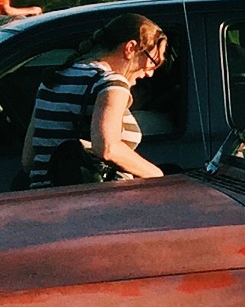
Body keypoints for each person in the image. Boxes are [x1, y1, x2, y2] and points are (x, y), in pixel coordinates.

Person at [24, 13, 171, 186]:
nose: (150, 72)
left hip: (44, 198)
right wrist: (158, 176)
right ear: (130, 48)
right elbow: (108, 148)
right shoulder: (111, 83)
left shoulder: (52, 79)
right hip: (96, 203)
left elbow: (28, 160)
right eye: (153, 61)